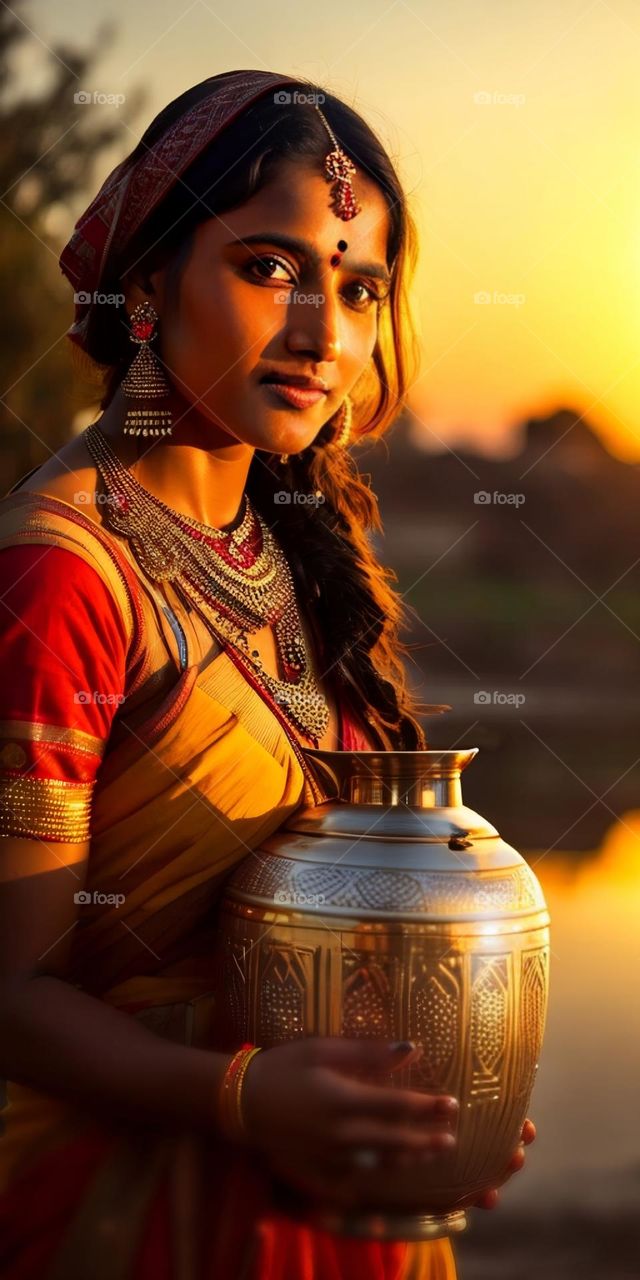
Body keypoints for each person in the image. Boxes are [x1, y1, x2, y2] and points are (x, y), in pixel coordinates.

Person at [0, 70, 535, 1279]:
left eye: (358, 290)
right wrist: (242, 1098)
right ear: (147, 281)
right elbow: (9, 991)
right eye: (269, 268)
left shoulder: (290, 552)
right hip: (137, 1217)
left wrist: (438, 1102)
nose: (322, 335)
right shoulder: (62, 573)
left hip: (330, 1215)